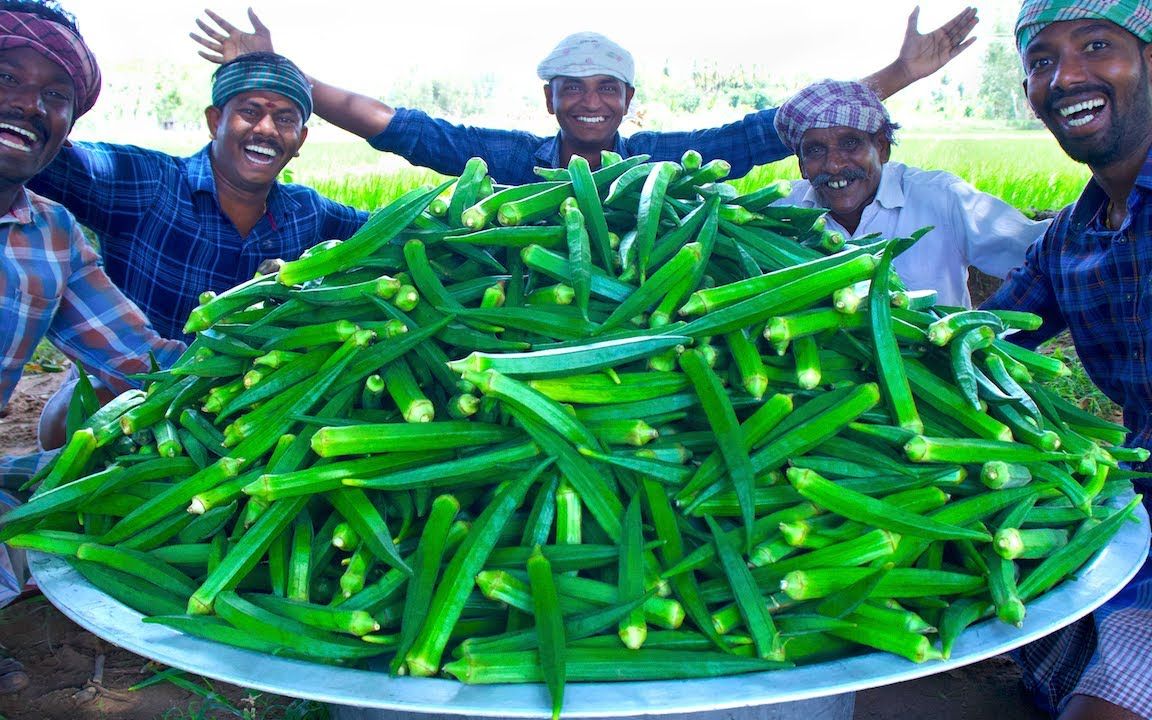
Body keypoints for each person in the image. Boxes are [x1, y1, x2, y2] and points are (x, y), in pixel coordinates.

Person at [191, 7, 980, 185]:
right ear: (551, 101)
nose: (593, 104)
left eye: (609, 90)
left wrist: (899, 76)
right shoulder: (507, 160)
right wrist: (284, 73)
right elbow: (399, 127)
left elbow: (771, 131)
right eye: (576, 91)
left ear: (629, 101)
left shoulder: (660, 164)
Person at [0, 0, 185, 695]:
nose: (28, 104)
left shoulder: (50, 234)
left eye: (55, 96)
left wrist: (273, 338)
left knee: (94, 484)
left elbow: (146, 359)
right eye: (6, 77)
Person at [980, 1, 1152, 719]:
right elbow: (982, 336)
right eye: (1041, 61)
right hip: (1136, 494)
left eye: (1095, 46)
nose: (1065, 75)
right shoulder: (1074, 233)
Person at [25, 48, 371, 344]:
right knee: (65, 410)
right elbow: (40, 156)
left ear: (301, 140)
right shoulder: (148, 182)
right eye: (250, 112)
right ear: (215, 121)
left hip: (242, 400)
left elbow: (401, 225)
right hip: (133, 387)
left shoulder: (309, 212)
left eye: (285, 119)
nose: (266, 129)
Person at [771, 78, 1049, 308]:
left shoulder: (942, 199)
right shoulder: (779, 214)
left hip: (935, 368)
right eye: (816, 150)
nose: (834, 165)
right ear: (801, 165)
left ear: (882, 148)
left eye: (850, 144)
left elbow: (1044, 255)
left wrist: (992, 331)